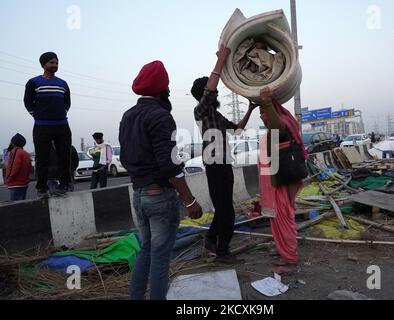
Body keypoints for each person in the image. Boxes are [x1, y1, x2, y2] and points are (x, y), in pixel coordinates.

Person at [119, 60, 203, 300]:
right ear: (161, 89)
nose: (168, 90)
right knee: (160, 256)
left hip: (138, 194)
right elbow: (170, 165)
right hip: (159, 197)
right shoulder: (161, 116)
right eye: (167, 86)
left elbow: (126, 158)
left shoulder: (128, 116)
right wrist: (189, 200)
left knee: (146, 249)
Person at [191, 46, 257, 263]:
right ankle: (222, 252)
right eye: (212, 92)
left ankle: (211, 238)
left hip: (224, 164)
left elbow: (237, 130)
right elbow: (210, 90)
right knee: (227, 211)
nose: (217, 92)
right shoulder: (200, 111)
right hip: (215, 164)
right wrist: (220, 60)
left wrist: (250, 108)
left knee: (223, 207)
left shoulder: (215, 115)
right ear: (204, 96)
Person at [257, 87, 307, 265]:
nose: (262, 115)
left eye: (263, 112)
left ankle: (290, 256)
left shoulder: (280, 125)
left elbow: (277, 127)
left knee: (284, 218)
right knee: (280, 218)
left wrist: (266, 102)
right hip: (277, 180)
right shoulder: (276, 128)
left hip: (281, 181)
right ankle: (283, 249)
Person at [24, 52, 72, 198]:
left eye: (57, 63)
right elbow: (28, 102)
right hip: (42, 126)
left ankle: (64, 185)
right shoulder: (33, 82)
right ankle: (42, 189)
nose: (55, 65)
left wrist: (61, 114)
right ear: (44, 64)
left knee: (64, 156)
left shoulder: (63, 84)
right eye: (52, 62)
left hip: (62, 125)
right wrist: (38, 116)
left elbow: (67, 103)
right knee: (42, 158)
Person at [5, 134, 32, 201]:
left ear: (14, 143)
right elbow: (29, 168)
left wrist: (8, 179)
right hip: (24, 183)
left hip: (15, 184)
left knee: (15, 208)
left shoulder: (15, 152)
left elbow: (14, 167)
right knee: (21, 206)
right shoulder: (25, 153)